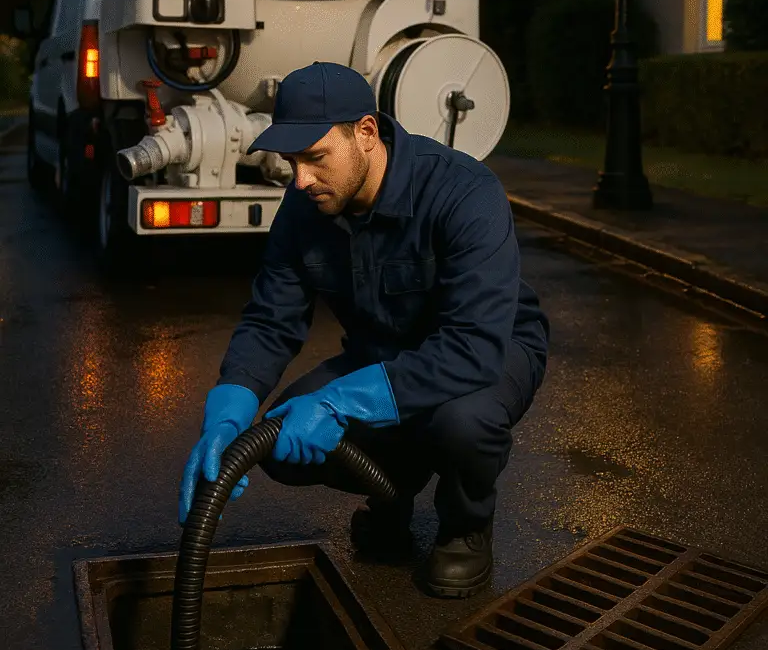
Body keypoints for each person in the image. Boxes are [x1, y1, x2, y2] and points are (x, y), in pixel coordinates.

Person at [179, 61, 549, 598]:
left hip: (489, 349)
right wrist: (229, 410)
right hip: (384, 350)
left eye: (315, 157)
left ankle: (465, 528)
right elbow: (271, 320)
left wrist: (339, 403)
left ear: (366, 133)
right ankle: (392, 487)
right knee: (281, 446)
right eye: (290, 161)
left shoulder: (464, 191)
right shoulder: (305, 206)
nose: (300, 179)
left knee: (462, 422)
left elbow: (473, 346)